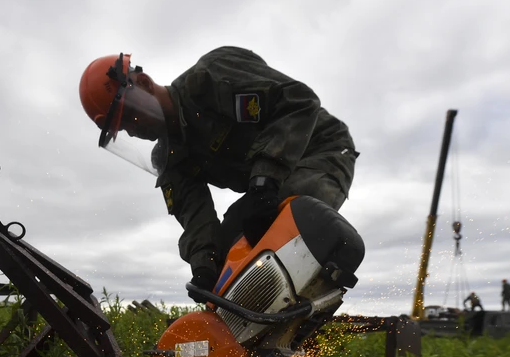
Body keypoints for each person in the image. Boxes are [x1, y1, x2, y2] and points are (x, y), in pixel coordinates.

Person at [79, 47, 358, 298]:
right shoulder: (169, 158)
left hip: (322, 149)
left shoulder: (211, 77)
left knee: (282, 224)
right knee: (230, 253)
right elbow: (195, 217)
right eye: (124, 128)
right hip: (270, 182)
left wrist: (264, 181)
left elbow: (299, 100)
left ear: (144, 83)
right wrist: (205, 267)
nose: (133, 130)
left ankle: (307, 305)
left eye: (131, 115)